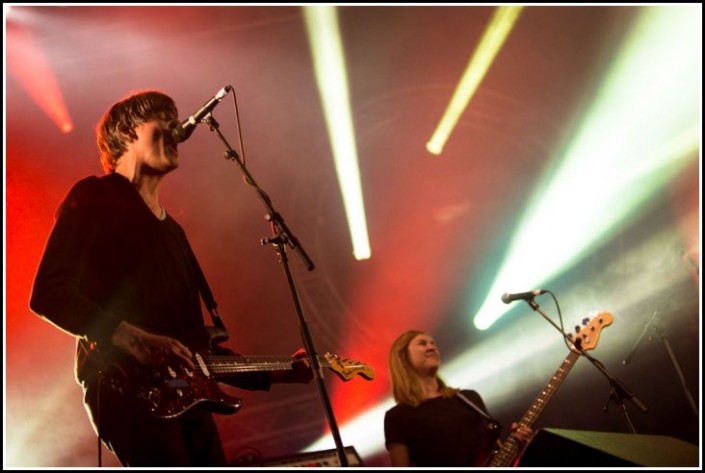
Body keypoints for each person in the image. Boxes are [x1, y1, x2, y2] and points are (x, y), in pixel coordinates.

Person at [29, 89, 313, 467]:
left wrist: (280, 373)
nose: (176, 129)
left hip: (186, 396)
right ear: (128, 133)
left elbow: (198, 349)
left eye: (174, 120)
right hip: (127, 387)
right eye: (162, 121)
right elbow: (50, 292)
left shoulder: (175, 232)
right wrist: (132, 337)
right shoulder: (95, 196)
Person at [384, 329, 533, 467]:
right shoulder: (397, 417)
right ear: (403, 357)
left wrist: (518, 447)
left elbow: (497, 454)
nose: (432, 347)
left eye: (433, 343)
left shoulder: (469, 398)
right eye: (422, 343)